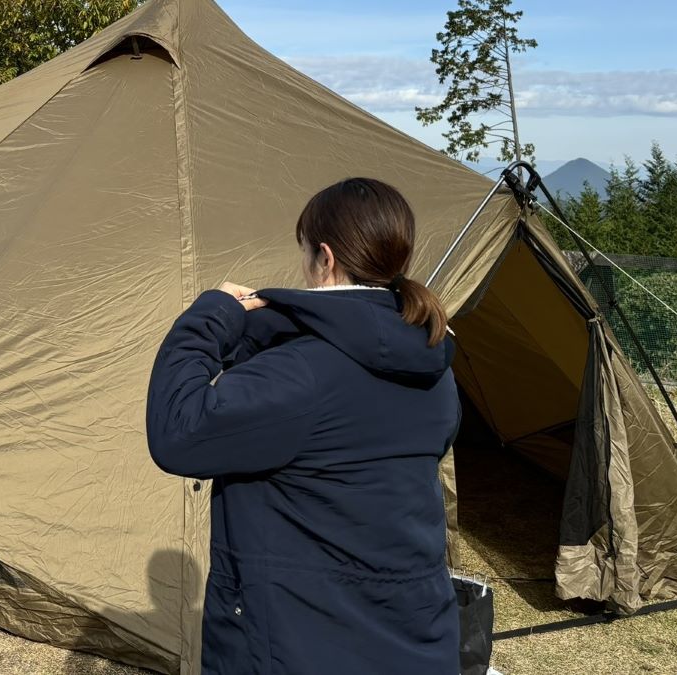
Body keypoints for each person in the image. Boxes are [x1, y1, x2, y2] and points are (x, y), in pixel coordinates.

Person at [146, 177, 460, 674]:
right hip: (408, 634)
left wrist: (209, 319)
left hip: (301, 642)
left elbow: (178, 433)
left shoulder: (304, 373)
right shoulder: (432, 367)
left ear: (325, 257)